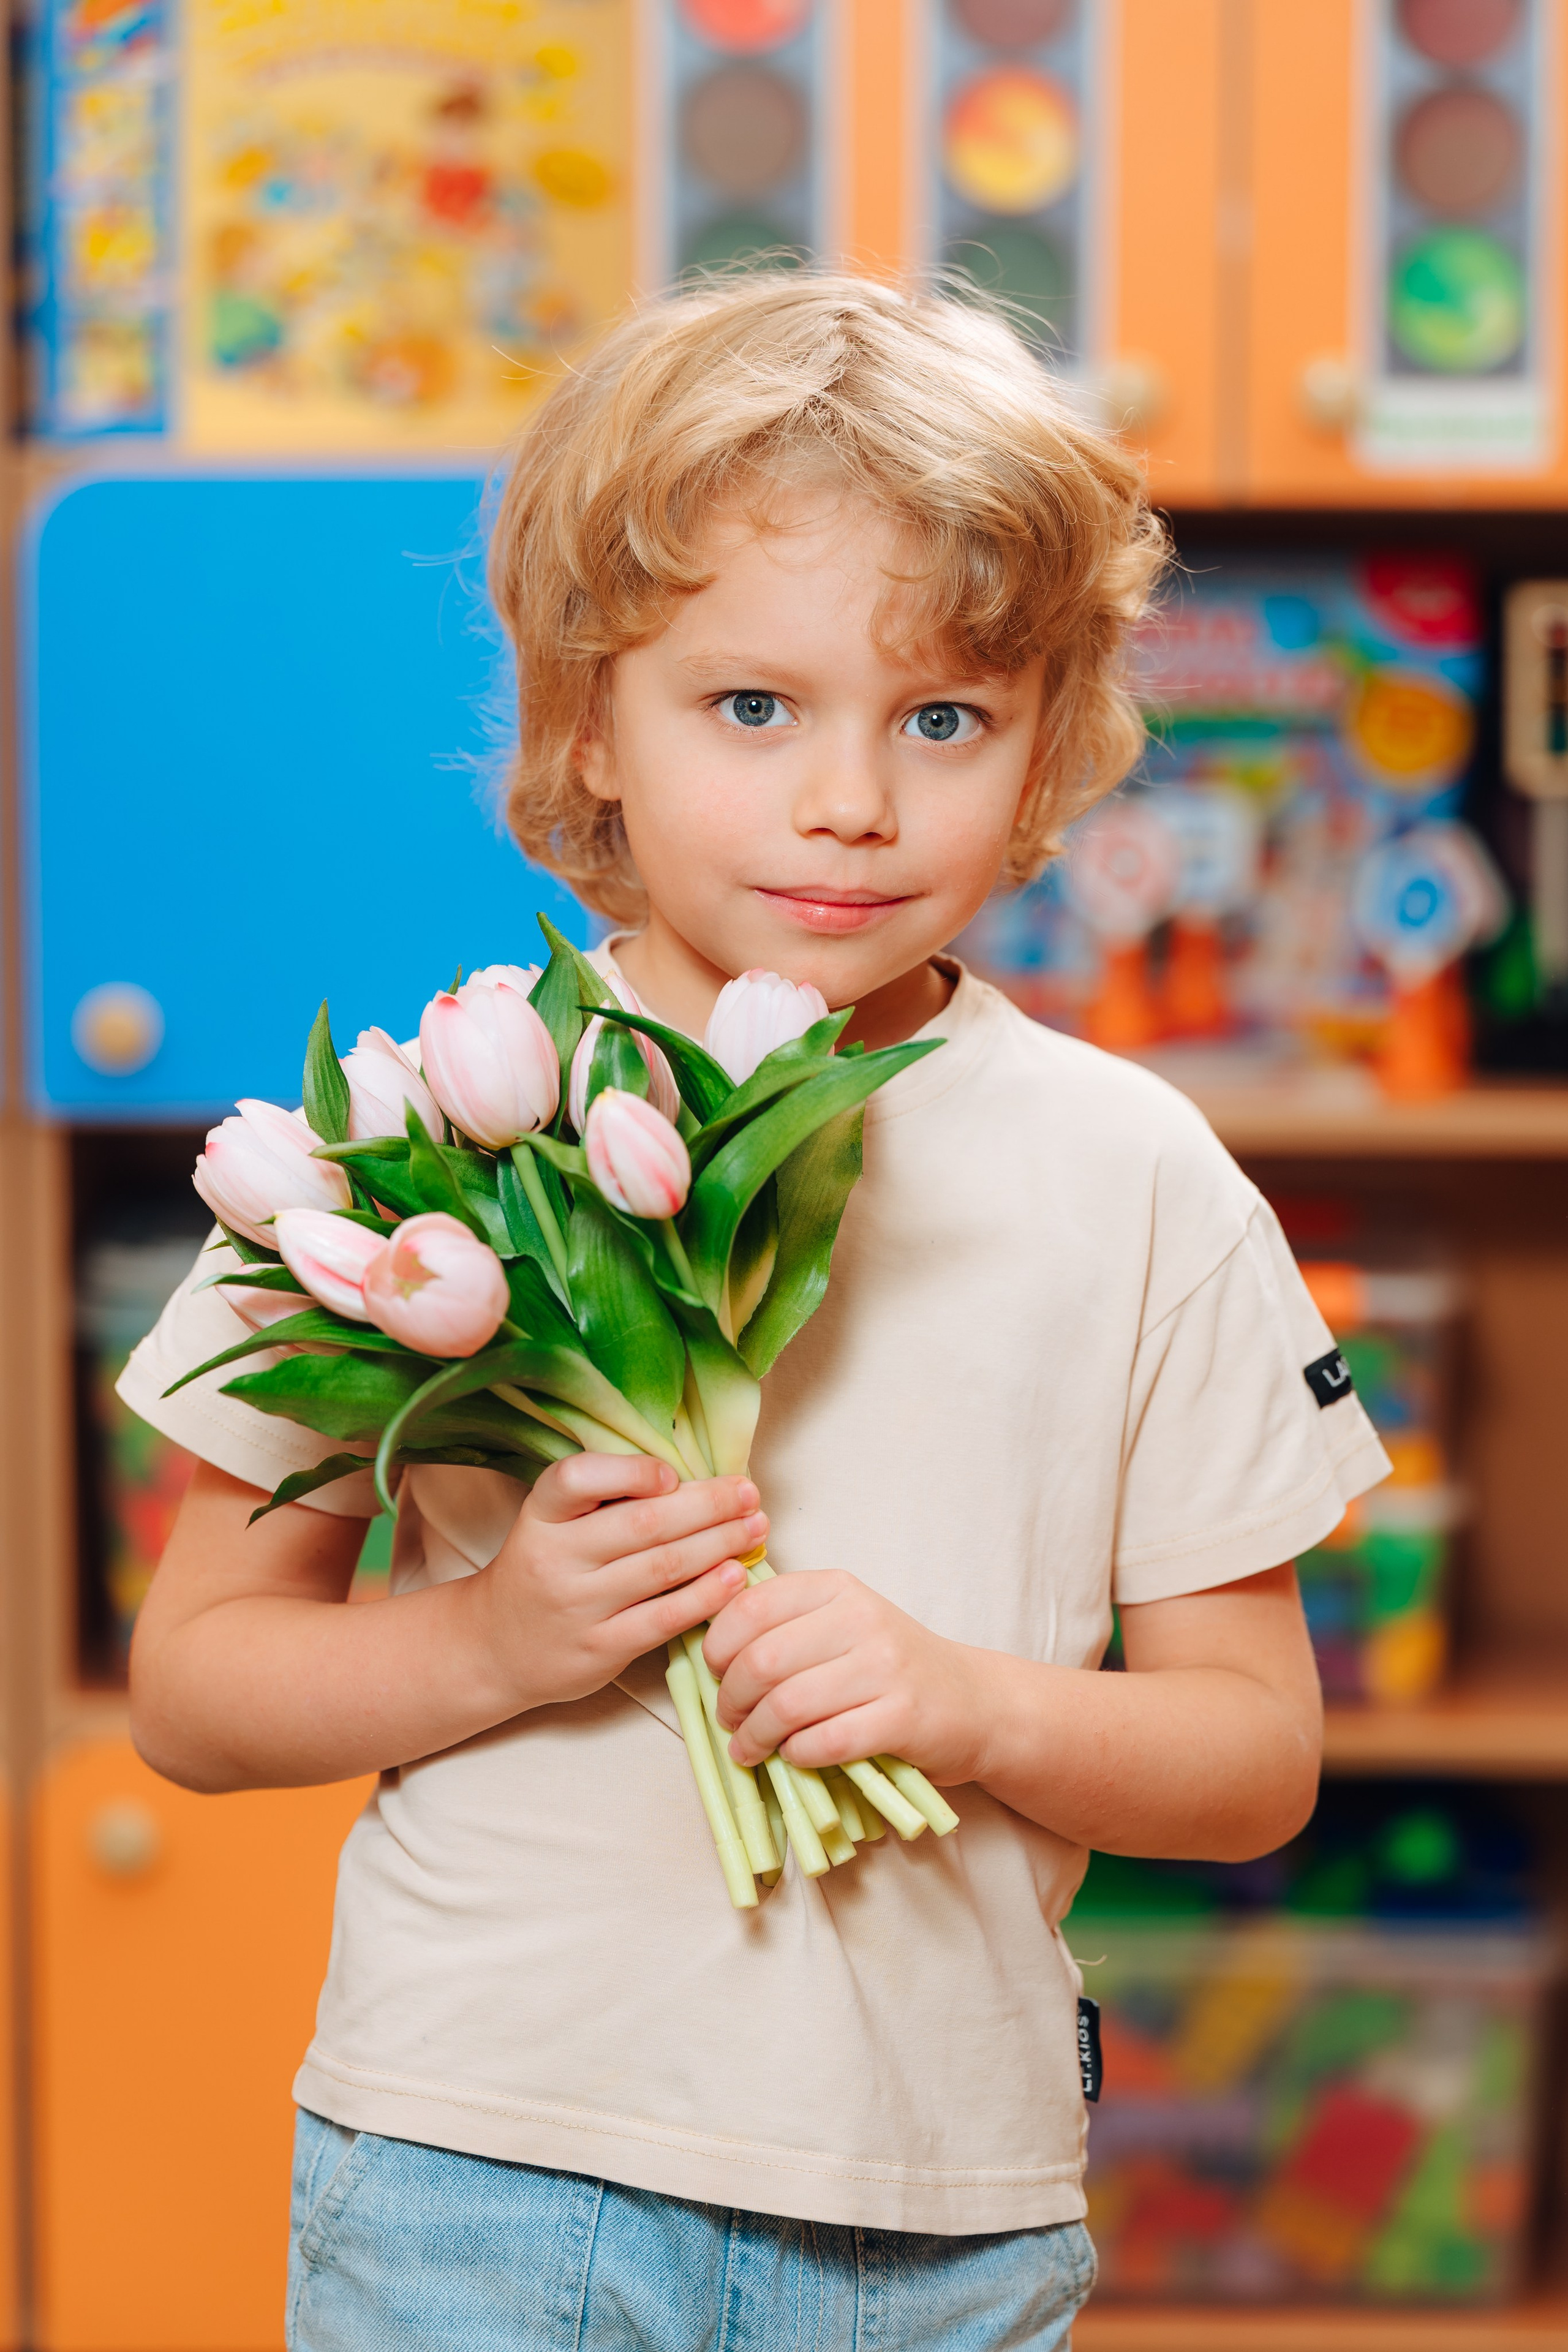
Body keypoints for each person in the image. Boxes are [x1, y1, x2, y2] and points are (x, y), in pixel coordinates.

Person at [123, 274, 1389, 2352]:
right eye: (751, 708)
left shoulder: (1139, 1175)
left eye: (945, 719)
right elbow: (196, 1688)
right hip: (469, 2170)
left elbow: (1252, 1760)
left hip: (936, 2220)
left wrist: (973, 1705)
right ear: (585, 732)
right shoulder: (422, 1119)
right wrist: (488, 1643)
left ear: (1050, 742)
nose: (852, 804)